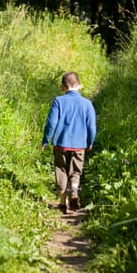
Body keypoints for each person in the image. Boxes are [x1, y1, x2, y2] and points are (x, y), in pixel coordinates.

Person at [41, 72, 96, 214]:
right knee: (75, 172)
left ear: (62, 87)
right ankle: (75, 192)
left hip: (61, 144)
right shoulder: (87, 104)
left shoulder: (58, 101)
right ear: (80, 86)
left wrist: (46, 140)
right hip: (79, 144)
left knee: (61, 170)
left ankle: (63, 201)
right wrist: (90, 142)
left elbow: (51, 123)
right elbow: (91, 127)